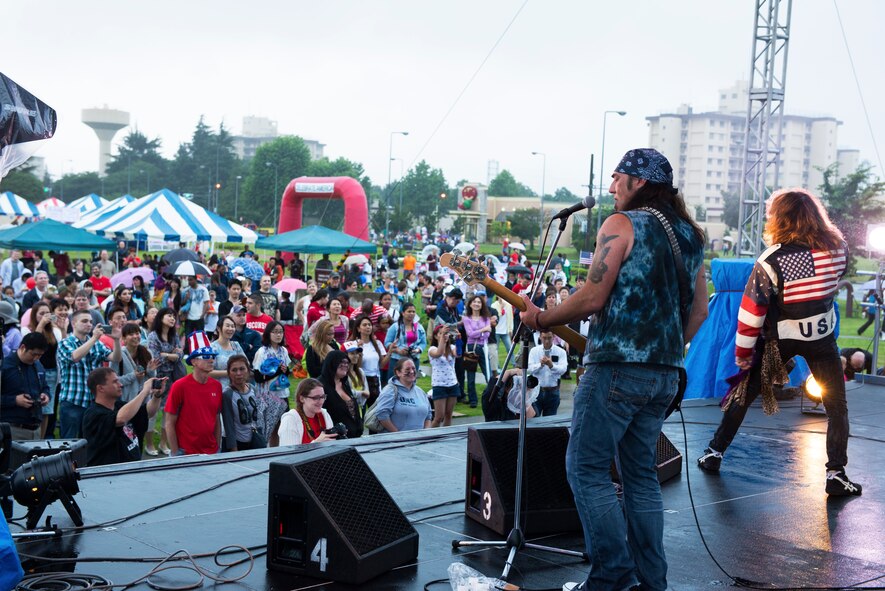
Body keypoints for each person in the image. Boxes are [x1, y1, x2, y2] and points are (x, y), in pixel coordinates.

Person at [520, 148, 708, 591]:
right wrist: (663, 346)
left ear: (639, 181)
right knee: (640, 474)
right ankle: (650, 581)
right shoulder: (692, 236)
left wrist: (540, 318)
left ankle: (611, 577)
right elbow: (699, 312)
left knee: (586, 469)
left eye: (616, 177)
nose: (610, 187)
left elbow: (592, 297)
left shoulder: (621, 225)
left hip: (615, 371)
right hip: (665, 375)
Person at [698, 187, 861, 497]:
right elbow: (831, 282)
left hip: (780, 339)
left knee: (744, 394)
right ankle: (836, 473)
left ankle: (714, 453)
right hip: (822, 338)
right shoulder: (839, 248)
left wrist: (744, 353)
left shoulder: (772, 258)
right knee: (837, 408)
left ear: (782, 218)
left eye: (772, 212)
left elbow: (752, 311)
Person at [57, 309, 123, 439]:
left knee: (90, 442)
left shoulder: (96, 343)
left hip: (93, 402)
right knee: (69, 443)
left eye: (91, 322)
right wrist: (94, 338)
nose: (89, 324)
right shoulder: (65, 342)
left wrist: (117, 340)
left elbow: (115, 358)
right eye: (84, 321)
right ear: (73, 323)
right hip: (73, 401)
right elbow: (74, 356)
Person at [82, 368, 164, 467]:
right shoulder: (93, 414)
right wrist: (144, 392)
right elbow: (120, 419)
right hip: (109, 476)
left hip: (131, 471)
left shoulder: (119, 406)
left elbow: (147, 412)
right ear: (100, 388)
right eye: (115, 382)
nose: (120, 384)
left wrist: (157, 396)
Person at [165, 331, 223, 456]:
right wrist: (175, 453)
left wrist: (217, 447)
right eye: (206, 357)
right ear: (194, 361)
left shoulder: (217, 386)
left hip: (212, 451)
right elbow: (169, 422)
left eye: (213, 356)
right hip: (186, 453)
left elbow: (216, 419)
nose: (211, 360)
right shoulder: (179, 386)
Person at [145, 308, 186, 455]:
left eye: (174, 316)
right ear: (161, 317)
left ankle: (163, 443)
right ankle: (149, 444)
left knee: (169, 411)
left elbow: (181, 354)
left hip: (172, 378)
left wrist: (168, 355)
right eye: (169, 315)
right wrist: (172, 355)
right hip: (156, 377)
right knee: (153, 413)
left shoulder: (174, 336)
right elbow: (156, 358)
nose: (172, 318)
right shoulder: (153, 336)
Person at [113, 323, 159, 450]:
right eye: (131, 334)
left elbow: (150, 378)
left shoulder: (146, 352)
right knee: (125, 438)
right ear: (123, 338)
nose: (135, 336)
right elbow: (114, 380)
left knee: (139, 434)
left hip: (143, 401)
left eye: (137, 333)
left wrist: (150, 371)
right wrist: (133, 375)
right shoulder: (119, 354)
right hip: (125, 402)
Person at [0, 332, 50, 440]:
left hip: (35, 429)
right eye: (33, 354)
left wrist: (45, 395)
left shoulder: (38, 365)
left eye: (40, 355)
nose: (36, 358)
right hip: (11, 429)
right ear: (23, 347)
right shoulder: (4, 366)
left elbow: (45, 386)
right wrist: (14, 400)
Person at [252, 320, 292, 446]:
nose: (278, 335)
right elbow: (258, 377)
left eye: (280, 332)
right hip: (267, 395)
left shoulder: (283, 351)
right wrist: (277, 372)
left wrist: (285, 371)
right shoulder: (262, 352)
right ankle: (269, 450)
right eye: (275, 332)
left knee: (282, 426)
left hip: (282, 393)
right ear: (268, 334)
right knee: (270, 427)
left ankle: (279, 448)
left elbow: (286, 371)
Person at [220, 354, 266, 452]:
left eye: (242, 369)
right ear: (229, 373)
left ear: (248, 371)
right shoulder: (227, 394)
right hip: (236, 444)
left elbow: (259, 417)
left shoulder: (253, 389)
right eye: (234, 370)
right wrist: (234, 450)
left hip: (253, 441)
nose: (239, 373)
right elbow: (229, 425)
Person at [373, 358, 431, 433]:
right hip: (396, 441)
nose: (412, 371)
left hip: (420, 441)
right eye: (407, 369)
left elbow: (428, 416)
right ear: (398, 372)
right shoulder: (390, 391)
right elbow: (382, 415)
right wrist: (398, 434)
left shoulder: (421, 392)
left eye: (413, 368)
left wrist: (426, 433)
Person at [278, 378, 339, 446]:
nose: (321, 401)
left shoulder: (324, 414)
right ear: (302, 399)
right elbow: (289, 454)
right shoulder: (290, 419)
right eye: (315, 398)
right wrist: (316, 443)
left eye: (323, 397)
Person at [319, 350, 364, 438]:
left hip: (354, 437)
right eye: (341, 362)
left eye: (347, 363)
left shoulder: (344, 383)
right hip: (334, 440)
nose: (346, 365)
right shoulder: (320, 385)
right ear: (332, 363)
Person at [350, 314, 389, 406]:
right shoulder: (353, 344)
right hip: (361, 379)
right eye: (364, 325)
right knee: (360, 408)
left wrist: (390, 352)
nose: (368, 327)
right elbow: (357, 367)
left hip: (375, 380)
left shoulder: (377, 343)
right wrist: (359, 353)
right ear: (358, 329)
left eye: (369, 325)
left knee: (375, 410)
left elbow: (382, 365)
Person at [527, 329, 568, 416]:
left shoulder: (561, 352)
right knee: (535, 421)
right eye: (544, 338)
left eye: (549, 338)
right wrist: (540, 365)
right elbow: (530, 368)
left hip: (552, 391)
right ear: (540, 337)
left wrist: (551, 366)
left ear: (554, 337)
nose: (546, 341)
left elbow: (563, 369)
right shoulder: (534, 351)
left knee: (550, 422)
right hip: (536, 391)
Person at [462, 294, 491, 408]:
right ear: (470, 304)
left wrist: (479, 333)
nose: (476, 304)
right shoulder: (466, 319)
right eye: (474, 302)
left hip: (483, 347)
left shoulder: (486, 318)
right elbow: (470, 334)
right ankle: (473, 400)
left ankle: (490, 396)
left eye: (479, 302)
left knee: (487, 373)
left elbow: (487, 335)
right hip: (471, 348)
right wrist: (483, 329)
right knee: (470, 375)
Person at [429, 324, 459, 427]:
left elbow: (458, 354)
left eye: (446, 333)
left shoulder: (452, 347)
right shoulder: (432, 349)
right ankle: (429, 437)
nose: (445, 335)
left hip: (452, 384)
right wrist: (443, 337)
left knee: (448, 415)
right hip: (439, 385)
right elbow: (439, 353)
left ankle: (446, 436)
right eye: (441, 333)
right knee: (439, 417)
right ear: (436, 336)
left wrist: (458, 337)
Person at [385, 302, 426, 370]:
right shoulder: (395, 327)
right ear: (403, 313)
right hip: (397, 360)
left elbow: (423, 342)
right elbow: (387, 342)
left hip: (414, 360)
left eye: (413, 312)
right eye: (409, 311)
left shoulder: (419, 327)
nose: (411, 314)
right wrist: (398, 350)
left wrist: (417, 350)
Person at [209, 315, 246, 391]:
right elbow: (208, 372)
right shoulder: (212, 348)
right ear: (219, 328)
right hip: (219, 389)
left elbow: (246, 364)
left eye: (232, 326)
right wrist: (229, 373)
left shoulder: (236, 345)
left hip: (237, 389)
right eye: (228, 326)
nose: (230, 329)